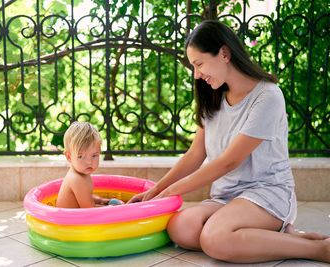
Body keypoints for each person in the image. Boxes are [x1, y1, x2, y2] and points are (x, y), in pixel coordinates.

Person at [128, 20, 330, 263]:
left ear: (224, 53)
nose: (197, 74)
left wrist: (170, 191)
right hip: (227, 197)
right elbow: (195, 156)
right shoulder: (213, 96)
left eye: (199, 64)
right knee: (181, 228)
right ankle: (279, 237)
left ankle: (319, 249)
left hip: (267, 194)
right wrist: (156, 190)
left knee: (214, 239)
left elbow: (229, 162)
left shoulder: (267, 96)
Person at [56, 121, 110, 208]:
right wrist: (111, 208)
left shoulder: (82, 173)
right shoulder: (77, 179)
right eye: (81, 156)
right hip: (68, 221)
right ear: (69, 157)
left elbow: (85, 197)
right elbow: (90, 210)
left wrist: (100, 200)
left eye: (94, 155)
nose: (89, 162)